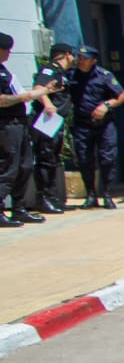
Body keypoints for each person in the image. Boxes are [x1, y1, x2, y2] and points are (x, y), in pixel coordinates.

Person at [67, 46, 124, 207]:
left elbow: (122, 95)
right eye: (79, 57)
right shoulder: (71, 75)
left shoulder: (104, 76)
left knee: (107, 159)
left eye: (85, 58)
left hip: (104, 124)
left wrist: (106, 105)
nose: (80, 60)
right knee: (84, 159)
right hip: (82, 124)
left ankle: (107, 194)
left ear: (93, 60)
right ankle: (91, 194)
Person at [0, 33, 49, 225]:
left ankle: (19, 208)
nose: (9, 53)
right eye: (6, 50)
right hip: (6, 126)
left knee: (25, 166)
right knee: (7, 168)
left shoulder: (4, 70)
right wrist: (26, 96)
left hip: (19, 124)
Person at [29, 43, 71, 213]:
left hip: (56, 123)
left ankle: (52, 197)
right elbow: (39, 88)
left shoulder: (62, 73)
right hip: (46, 122)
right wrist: (48, 104)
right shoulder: (50, 69)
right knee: (45, 160)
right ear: (67, 55)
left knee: (53, 160)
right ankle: (43, 198)